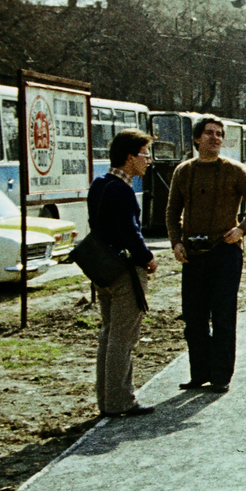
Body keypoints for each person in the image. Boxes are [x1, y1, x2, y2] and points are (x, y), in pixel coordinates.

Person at [167, 116, 246, 393]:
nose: (215, 138)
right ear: (197, 139)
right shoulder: (183, 171)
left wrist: (242, 229)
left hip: (225, 253)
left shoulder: (234, 170)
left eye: (219, 134)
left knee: (223, 316)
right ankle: (199, 373)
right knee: (194, 318)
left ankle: (221, 376)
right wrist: (176, 243)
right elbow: (172, 211)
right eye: (209, 133)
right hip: (193, 254)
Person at [88, 128, 158, 417]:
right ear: (130, 158)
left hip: (101, 268)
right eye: (145, 154)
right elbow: (131, 232)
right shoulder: (123, 190)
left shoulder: (99, 184)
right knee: (123, 338)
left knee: (108, 334)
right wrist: (148, 258)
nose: (149, 160)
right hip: (125, 271)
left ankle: (106, 398)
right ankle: (121, 401)